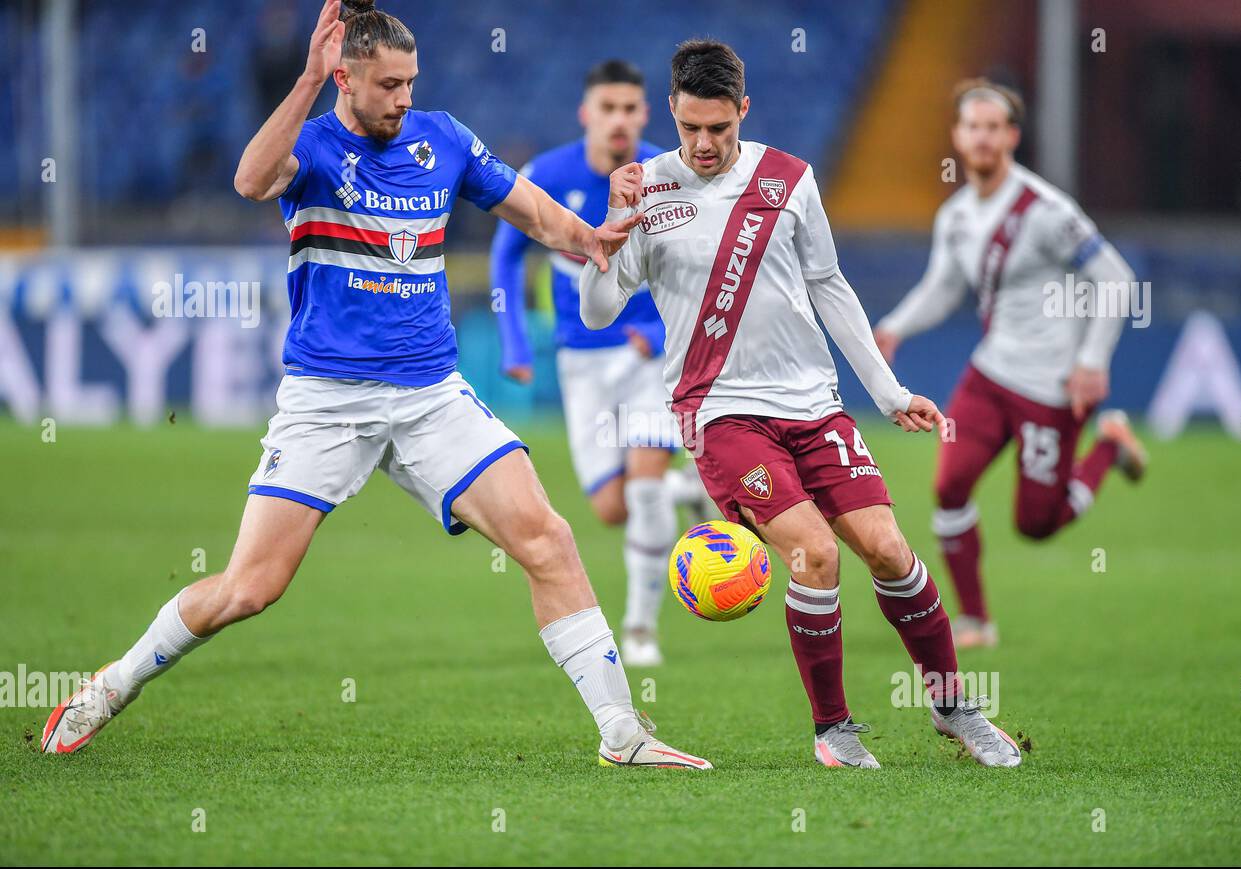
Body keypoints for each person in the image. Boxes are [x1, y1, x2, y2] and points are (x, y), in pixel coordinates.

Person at [42, 0, 710, 771]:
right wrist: (301, 83)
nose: (403, 98)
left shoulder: (443, 138)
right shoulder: (315, 148)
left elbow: (533, 214)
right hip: (327, 402)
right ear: (344, 79)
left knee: (548, 539)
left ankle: (622, 734)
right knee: (251, 588)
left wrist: (590, 239)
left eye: (410, 82)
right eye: (388, 84)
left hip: (431, 395)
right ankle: (111, 685)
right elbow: (251, 178)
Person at [580, 41, 1022, 768]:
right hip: (719, 409)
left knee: (888, 550)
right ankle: (834, 729)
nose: (703, 143)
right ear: (672, 113)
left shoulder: (790, 178)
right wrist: (613, 218)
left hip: (814, 405)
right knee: (815, 555)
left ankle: (952, 708)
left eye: (719, 128)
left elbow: (829, 287)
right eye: (691, 127)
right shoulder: (646, 190)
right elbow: (598, 311)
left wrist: (887, 390)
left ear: (743, 113)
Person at [874, 78, 1146, 649]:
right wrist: (894, 326)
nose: (981, 138)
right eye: (972, 127)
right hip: (990, 374)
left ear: (1012, 136)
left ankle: (1111, 447)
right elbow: (944, 287)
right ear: (957, 135)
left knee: (1037, 525)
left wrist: (1092, 361)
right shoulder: (955, 215)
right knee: (949, 485)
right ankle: (976, 621)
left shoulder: (1045, 210)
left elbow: (1117, 279)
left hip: (1051, 385)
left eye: (993, 128)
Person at [490, 59, 710, 667]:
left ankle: (640, 630)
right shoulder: (548, 174)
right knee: (609, 508)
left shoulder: (672, 175)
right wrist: (514, 343)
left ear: (647, 113)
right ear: (587, 114)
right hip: (581, 361)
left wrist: (654, 326)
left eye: (630, 109)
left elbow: (691, 270)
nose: (619, 120)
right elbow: (507, 256)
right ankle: (686, 486)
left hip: (648, 359)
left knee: (639, 494)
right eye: (607, 108)